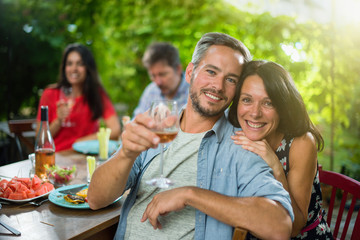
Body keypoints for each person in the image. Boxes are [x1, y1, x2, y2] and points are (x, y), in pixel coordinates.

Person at [87, 33, 294, 240]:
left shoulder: (240, 146)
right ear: (190, 72)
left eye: (231, 79)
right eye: (211, 71)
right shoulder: (156, 128)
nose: (218, 86)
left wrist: (190, 194)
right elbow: (96, 198)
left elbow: (280, 226)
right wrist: (126, 153)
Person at [228, 60, 333, 239]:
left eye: (268, 103)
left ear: (282, 107)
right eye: (247, 100)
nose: (255, 113)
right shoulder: (232, 133)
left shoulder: (301, 142)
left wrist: (275, 166)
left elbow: (294, 226)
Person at [36, 43, 121, 152]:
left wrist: (82, 141)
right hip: (57, 158)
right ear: (64, 67)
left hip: (85, 156)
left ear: (88, 68)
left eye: (80, 64)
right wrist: (58, 121)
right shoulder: (50, 94)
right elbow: (40, 141)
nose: (74, 69)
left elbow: (115, 129)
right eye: (69, 63)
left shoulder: (96, 94)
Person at [132, 42, 189, 117]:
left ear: (178, 69)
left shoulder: (195, 91)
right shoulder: (151, 92)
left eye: (162, 74)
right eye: (153, 76)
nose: (158, 82)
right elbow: (135, 121)